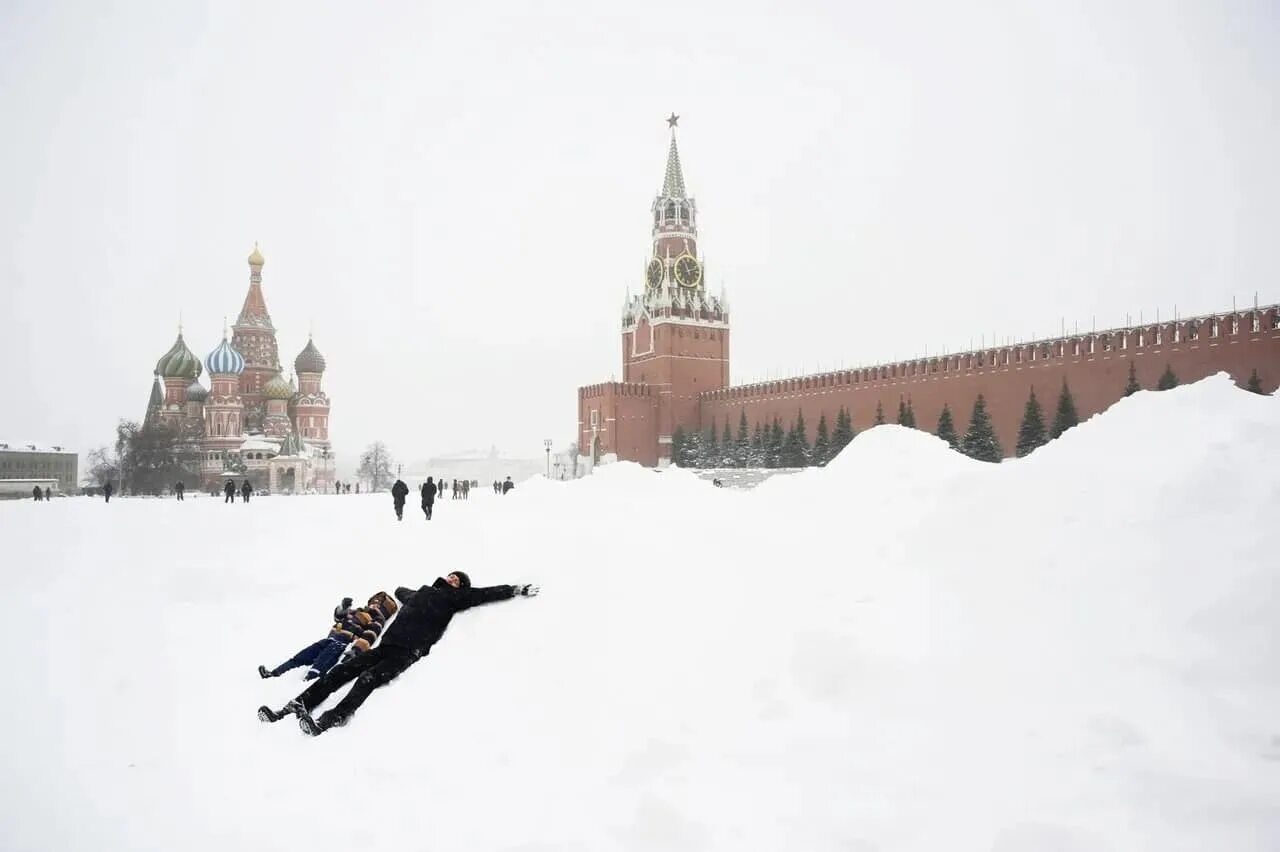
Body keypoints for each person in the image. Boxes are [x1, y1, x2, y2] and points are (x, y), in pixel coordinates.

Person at [258, 571, 540, 736]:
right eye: (452, 575)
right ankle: (296, 705)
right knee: (343, 671)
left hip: (409, 651)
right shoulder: (422, 591)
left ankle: (330, 719)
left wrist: (515, 589)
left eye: (458, 580)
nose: (453, 579)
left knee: (367, 679)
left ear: (461, 588)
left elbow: (487, 593)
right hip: (388, 644)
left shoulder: (457, 598)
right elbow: (401, 592)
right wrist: (400, 592)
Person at [259, 592, 398, 681]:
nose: (375, 603)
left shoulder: (377, 618)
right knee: (302, 655)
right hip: (331, 637)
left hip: (344, 641)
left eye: (379, 603)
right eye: (374, 600)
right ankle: (275, 673)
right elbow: (338, 618)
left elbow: (370, 635)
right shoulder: (358, 611)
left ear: (384, 609)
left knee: (322, 662)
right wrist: (343, 608)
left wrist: (356, 650)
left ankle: (307, 682)